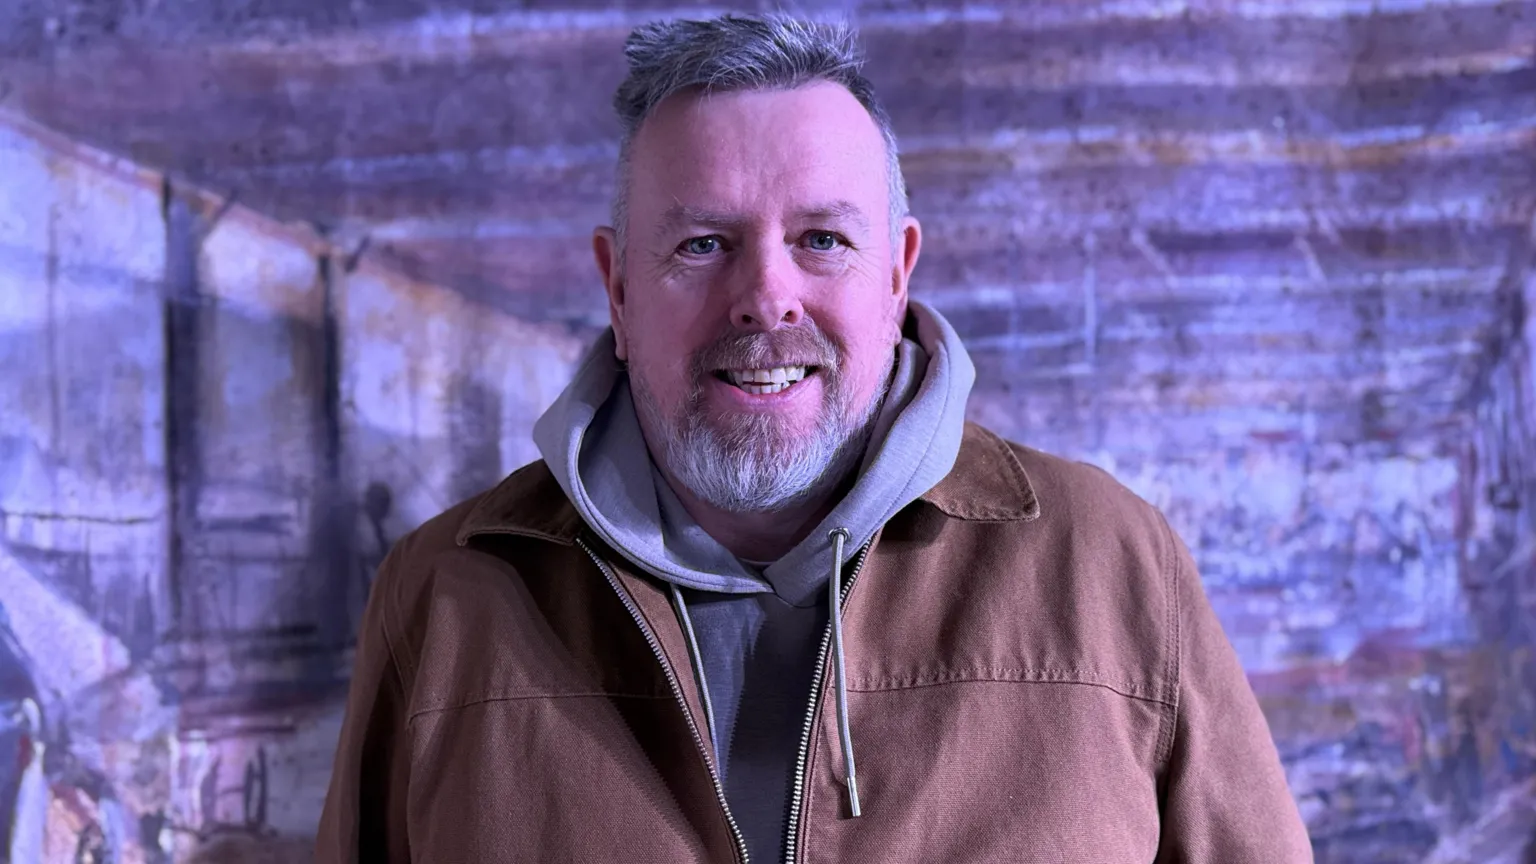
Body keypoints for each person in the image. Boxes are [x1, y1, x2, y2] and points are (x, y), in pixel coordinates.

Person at [316, 14, 1313, 863]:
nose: (764, 299)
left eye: (822, 239)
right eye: (703, 244)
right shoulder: (444, 599)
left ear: (896, 273)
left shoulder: (1113, 567)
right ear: (617, 287)